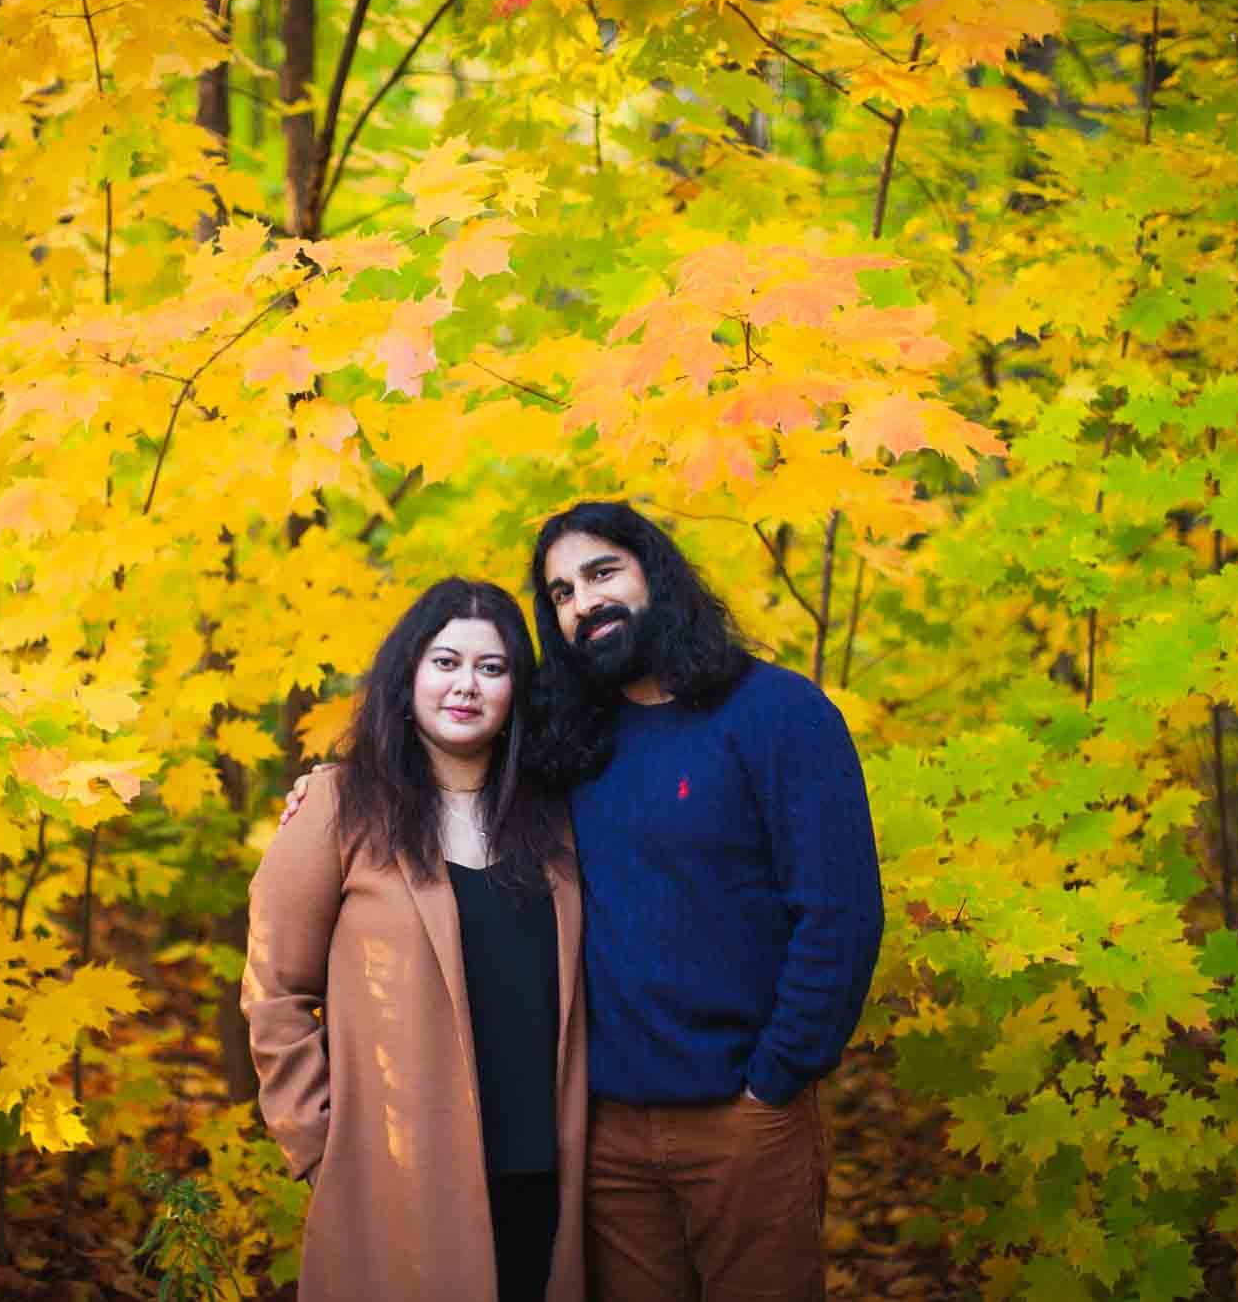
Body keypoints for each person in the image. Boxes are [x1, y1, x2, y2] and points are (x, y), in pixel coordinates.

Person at [529, 500, 882, 1302]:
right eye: (560, 594)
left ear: (656, 570)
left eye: (601, 572)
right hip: (608, 1130)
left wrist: (776, 1077)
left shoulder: (778, 714)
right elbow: (441, 739)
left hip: (743, 1117)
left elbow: (840, 913)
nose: (583, 603)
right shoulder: (571, 738)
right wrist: (331, 787)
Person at [242, 578, 587, 1302]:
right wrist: (316, 1144)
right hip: (397, 1172)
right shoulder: (339, 806)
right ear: (409, 677)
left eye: (492, 668)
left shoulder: (555, 819)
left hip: (540, 1168)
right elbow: (275, 988)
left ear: (516, 690)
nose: (467, 684)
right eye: (446, 661)